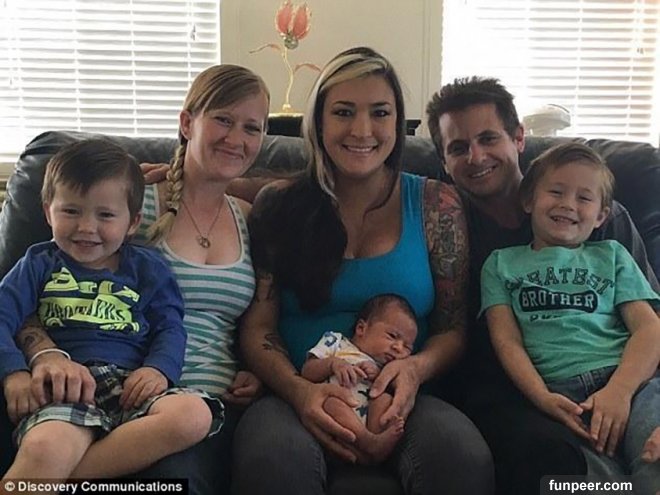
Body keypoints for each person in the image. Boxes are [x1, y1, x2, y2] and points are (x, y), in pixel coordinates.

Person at [232, 47, 493, 495]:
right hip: (294, 394)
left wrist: (415, 370)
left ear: (398, 122)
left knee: (461, 457)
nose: (362, 130)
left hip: (402, 396)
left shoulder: (437, 205)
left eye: (380, 113)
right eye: (343, 112)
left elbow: (452, 328)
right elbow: (259, 328)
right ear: (318, 122)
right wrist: (300, 392)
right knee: (272, 462)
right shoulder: (279, 204)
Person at [1, 64, 270, 493]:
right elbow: (26, 299)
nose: (236, 138)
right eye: (222, 119)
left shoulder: (252, 217)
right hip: (93, 377)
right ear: (187, 123)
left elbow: (249, 322)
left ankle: (48, 478)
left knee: (188, 435)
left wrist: (258, 371)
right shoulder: (122, 202)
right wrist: (33, 360)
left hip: (184, 400)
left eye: (251, 127)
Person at [426, 76, 660, 495]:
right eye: (458, 148)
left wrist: (627, 392)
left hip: (627, 380)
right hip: (517, 391)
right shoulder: (447, 228)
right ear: (443, 161)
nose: (476, 157)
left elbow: (651, 325)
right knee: (557, 470)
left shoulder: (602, 223)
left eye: (488, 138)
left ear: (519, 138)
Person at [0, 139, 221, 483]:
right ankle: (47, 468)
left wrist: (158, 369)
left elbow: (170, 327)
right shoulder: (38, 263)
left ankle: (51, 477)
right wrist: (14, 372)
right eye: (71, 211)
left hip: (132, 386)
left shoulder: (148, 268)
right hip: (65, 389)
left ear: (132, 222)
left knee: (193, 415)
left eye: (105, 215)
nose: (86, 227)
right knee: (46, 447)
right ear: (47, 212)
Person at [480, 142, 660, 493]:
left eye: (584, 198)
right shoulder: (500, 264)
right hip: (561, 396)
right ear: (528, 201)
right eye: (556, 192)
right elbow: (507, 342)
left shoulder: (612, 255)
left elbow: (649, 328)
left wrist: (620, 390)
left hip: (630, 384)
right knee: (580, 481)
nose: (568, 204)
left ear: (602, 216)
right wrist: (540, 397)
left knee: (653, 456)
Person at [301, 294, 417, 464]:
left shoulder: (389, 367)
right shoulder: (336, 342)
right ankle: (369, 442)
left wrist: (378, 375)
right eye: (392, 336)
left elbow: (391, 389)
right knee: (331, 402)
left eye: (407, 347)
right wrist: (333, 364)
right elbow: (307, 372)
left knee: (385, 400)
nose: (399, 348)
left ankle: (376, 448)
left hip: (368, 419)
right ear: (361, 328)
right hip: (333, 419)